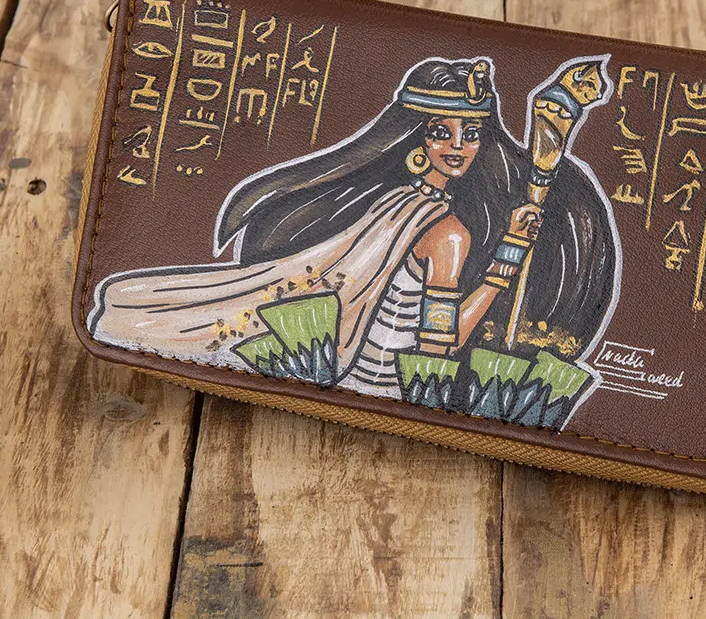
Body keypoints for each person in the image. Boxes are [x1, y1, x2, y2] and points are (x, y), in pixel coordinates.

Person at [88, 56, 619, 400]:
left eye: (472, 133)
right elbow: (441, 347)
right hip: (385, 388)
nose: (459, 146)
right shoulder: (449, 233)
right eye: (442, 131)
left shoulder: (396, 203)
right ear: (416, 138)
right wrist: (509, 257)